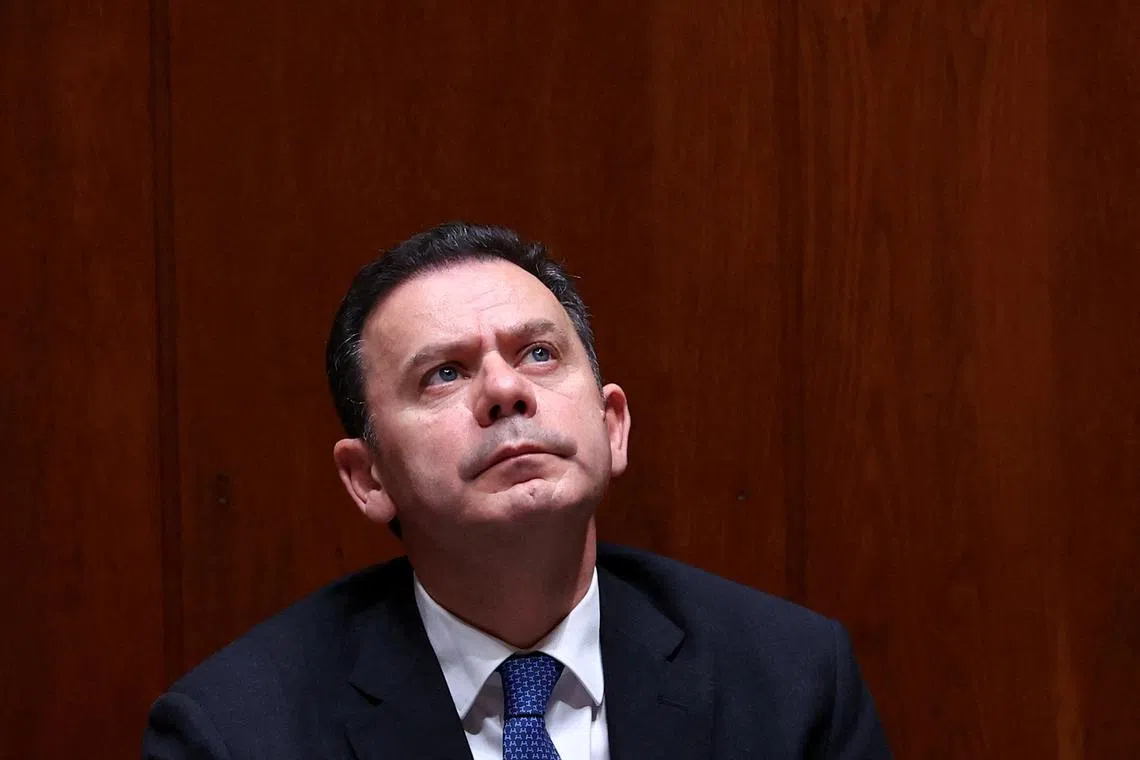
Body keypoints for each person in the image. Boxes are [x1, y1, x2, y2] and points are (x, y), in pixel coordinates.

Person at [143, 221, 891, 759]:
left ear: (613, 425)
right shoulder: (233, 734)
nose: (505, 390)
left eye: (537, 353)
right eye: (445, 372)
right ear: (368, 479)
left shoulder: (790, 682)